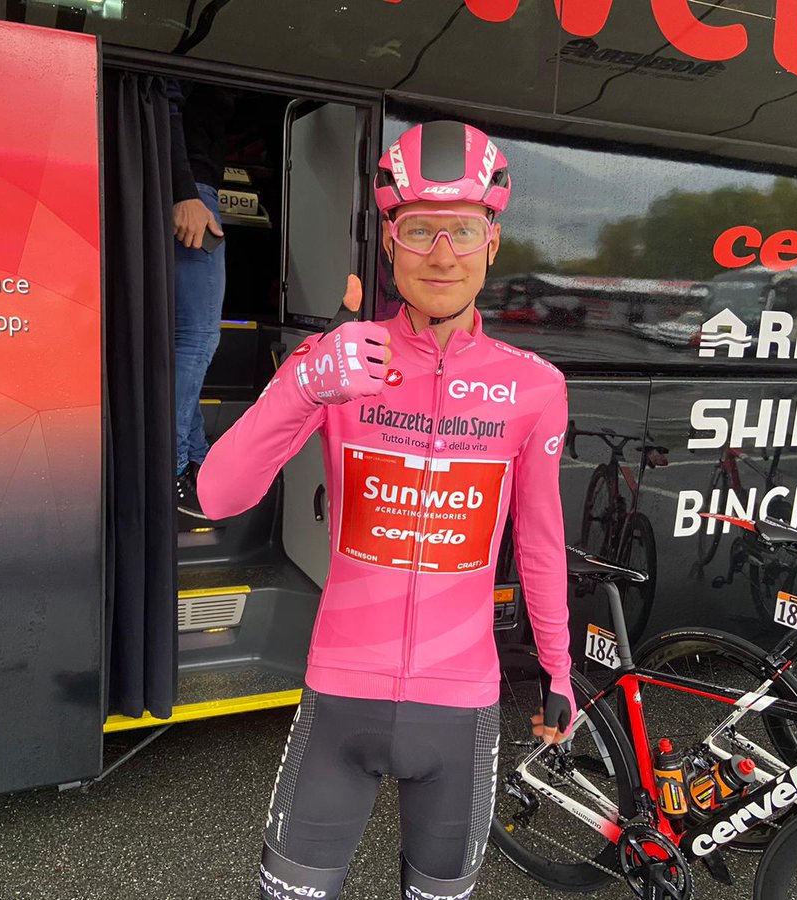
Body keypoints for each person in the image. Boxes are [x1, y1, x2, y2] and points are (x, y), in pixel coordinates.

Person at [197, 121, 576, 900]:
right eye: (419, 229)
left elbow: (538, 544)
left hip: (461, 711)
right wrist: (301, 387)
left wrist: (558, 670)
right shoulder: (338, 363)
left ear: (493, 243)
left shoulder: (534, 385)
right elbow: (217, 495)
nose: (443, 253)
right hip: (341, 697)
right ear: (391, 244)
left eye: (463, 230)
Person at [167, 79, 233, 518]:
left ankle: (196, 463)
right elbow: (167, 99)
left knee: (187, 342)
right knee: (197, 339)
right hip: (193, 192)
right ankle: (172, 469)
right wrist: (185, 191)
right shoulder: (189, 55)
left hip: (190, 187)